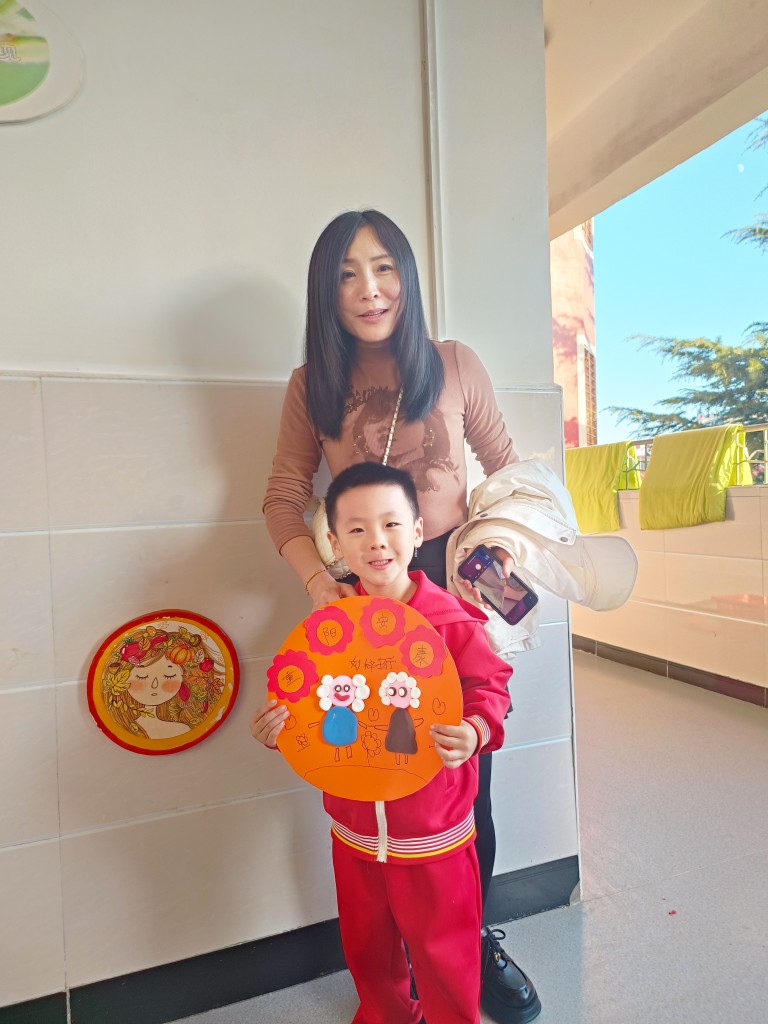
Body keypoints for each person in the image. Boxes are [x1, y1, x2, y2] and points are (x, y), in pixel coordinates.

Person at [262, 209, 541, 1023]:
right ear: (325, 290)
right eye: (346, 273)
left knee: (464, 778)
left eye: (383, 267)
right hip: (365, 596)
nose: (369, 289)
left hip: (455, 580)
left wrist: (500, 554)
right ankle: (395, 969)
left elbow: (510, 470)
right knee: (372, 761)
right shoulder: (311, 385)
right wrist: (320, 587)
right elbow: (283, 499)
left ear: (407, 277)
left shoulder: (453, 363)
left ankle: (470, 943)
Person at [253, 462, 512, 1023]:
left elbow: (492, 691)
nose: (376, 541)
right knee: (367, 947)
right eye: (357, 528)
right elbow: (307, 708)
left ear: (417, 532)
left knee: (445, 952)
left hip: (433, 832)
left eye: (392, 524)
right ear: (334, 544)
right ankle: (385, 1015)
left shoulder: (453, 622)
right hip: (354, 830)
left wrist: (474, 731)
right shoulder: (328, 631)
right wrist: (279, 729)